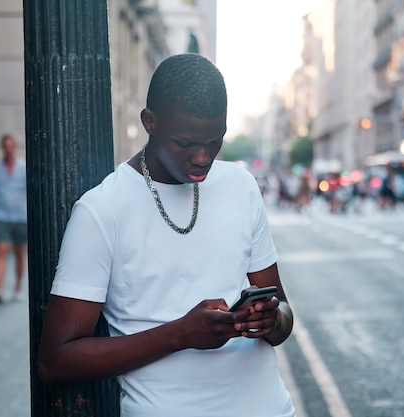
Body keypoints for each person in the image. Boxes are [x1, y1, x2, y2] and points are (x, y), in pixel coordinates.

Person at [38, 53, 296, 417]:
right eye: (186, 143)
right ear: (150, 123)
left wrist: (270, 319)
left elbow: (283, 316)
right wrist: (181, 334)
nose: (203, 157)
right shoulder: (102, 210)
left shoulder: (241, 186)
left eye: (215, 141)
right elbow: (56, 361)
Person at [0, 133, 28, 303]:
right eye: (6, 147)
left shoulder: (24, 168)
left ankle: (17, 287)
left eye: (12, 146)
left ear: (15, 147)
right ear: (2, 148)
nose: (9, 150)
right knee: (1, 250)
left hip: (20, 216)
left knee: (19, 252)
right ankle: (0, 288)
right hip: (0, 214)